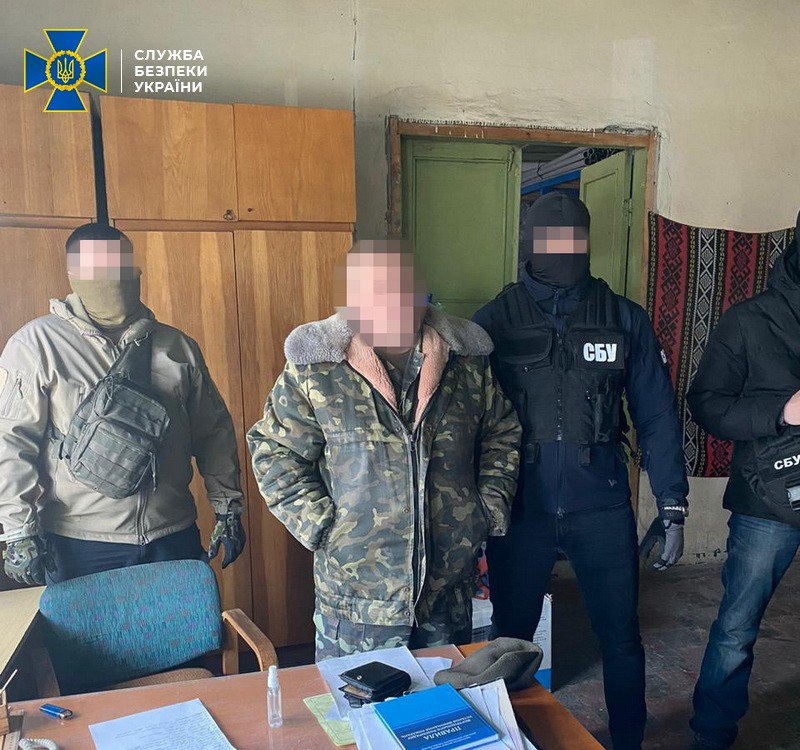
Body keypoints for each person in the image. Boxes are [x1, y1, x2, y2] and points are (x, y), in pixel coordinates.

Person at [474, 192, 689, 750]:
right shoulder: (495, 321)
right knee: (510, 644)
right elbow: (465, 424)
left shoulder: (622, 318)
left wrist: (672, 504)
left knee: (620, 639)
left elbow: (656, 416)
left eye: (574, 237)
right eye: (550, 238)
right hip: (522, 510)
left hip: (602, 507)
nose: (562, 250)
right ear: (529, 242)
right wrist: (468, 516)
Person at [248, 239, 521, 658]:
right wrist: (323, 526)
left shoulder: (466, 362)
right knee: (352, 700)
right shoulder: (317, 369)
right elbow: (274, 450)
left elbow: (502, 432)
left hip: (446, 596)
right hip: (356, 602)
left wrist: (486, 509)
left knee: (444, 697)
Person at [0, 222, 245, 585]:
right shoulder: (37, 345)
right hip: (80, 543)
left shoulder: (177, 346)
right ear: (72, 273)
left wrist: (228, 508)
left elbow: (214, 433)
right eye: (97, 267)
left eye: (120, 265)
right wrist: (18, 531)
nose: (111, 276)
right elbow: (11, 442)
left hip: (172, 534)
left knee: (185, 625)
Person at [678, 211, 800, 750]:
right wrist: (782, 412)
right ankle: (711, 736)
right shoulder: (750, 320)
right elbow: (707, 404)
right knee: (737, 626)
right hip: (767, 501)